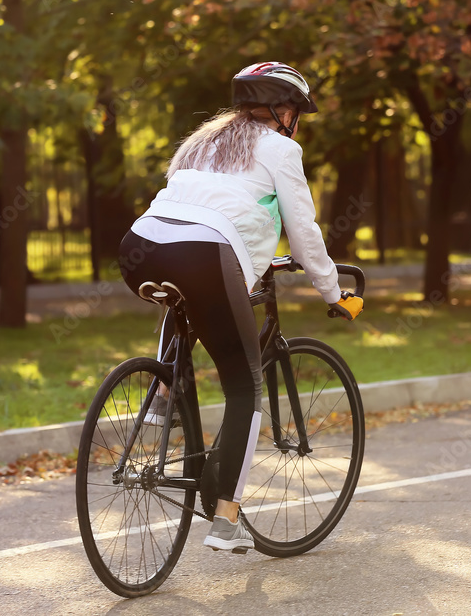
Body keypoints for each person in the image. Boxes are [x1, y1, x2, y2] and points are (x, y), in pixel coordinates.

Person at [118, 61, 352, 553]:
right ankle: (226, 519)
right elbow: (304, 232)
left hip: (141, 244)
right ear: (283, 110)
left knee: (185, 297)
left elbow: (207, 206)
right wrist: (333, 292)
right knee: (245, 385)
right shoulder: (281, 147)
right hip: (205, 253)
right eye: (298, 112)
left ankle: (166, 391)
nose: (298, 122)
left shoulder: (201, 141)